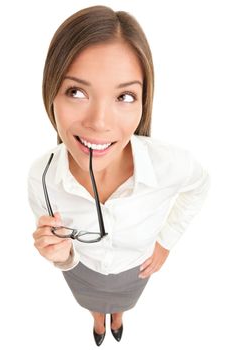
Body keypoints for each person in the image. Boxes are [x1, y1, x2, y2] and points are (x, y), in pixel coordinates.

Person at [28, 5, 210, 346]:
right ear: (50, 92)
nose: (99, 121)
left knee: (124, 301)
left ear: (143, 101)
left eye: (125, 96)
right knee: (91, 302)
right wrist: (60, 254)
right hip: (83, 271)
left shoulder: (170, 163)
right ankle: (99, 321)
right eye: (76, 92)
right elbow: (66, 253)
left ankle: (119, 316)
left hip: (135, 267)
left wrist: (166, 241)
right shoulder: (42, 178)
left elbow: (200, 185)